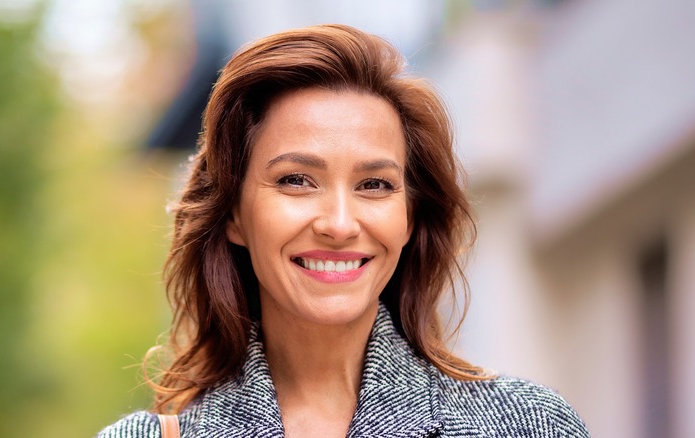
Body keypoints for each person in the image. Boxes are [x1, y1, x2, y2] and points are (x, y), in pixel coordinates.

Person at [98, 24, 589, 437]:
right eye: (296, 180)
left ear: (410, 218)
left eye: (374, 184)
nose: (338, 224)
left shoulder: (525, 424)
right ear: (233, 215)